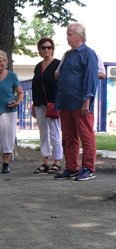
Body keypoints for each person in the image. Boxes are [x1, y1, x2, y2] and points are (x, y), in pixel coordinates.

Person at [54, 22, 99, 181]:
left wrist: (87, 101)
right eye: (67, 34)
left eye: (70, 34)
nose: (67, 37)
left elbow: (91, 78)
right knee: (69, 137)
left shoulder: (88, 53)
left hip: (81, 104)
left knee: (86, 137)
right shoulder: (68, 55)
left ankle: (88, 168)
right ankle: (72, 168)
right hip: (66, 104)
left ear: (79, 35)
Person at [31, 37, 62, 174]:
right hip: (39, 104)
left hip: (52, 104)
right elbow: (35, 86)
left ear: (53, 49)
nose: (46, 50)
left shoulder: (58, 64)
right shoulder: (38, 66)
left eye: (49, 47)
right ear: (39, 50)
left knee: (55, 132)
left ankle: (57, 161)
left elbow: (61, 85)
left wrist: (59, 102)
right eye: (43, 47)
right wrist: (33, 104)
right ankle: (45, 161)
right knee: (43, 133)